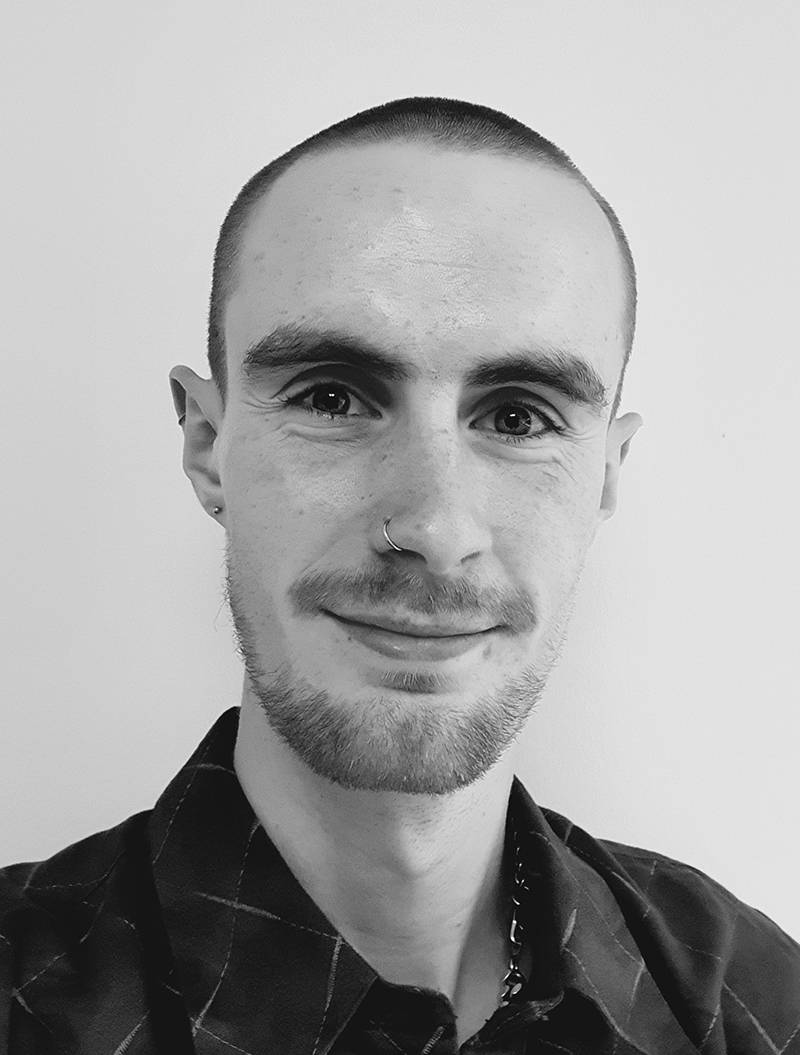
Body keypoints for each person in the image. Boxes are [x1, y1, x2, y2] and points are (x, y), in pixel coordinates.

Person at [2, 96, 798, 1055]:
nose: (433, 528)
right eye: (332, 398)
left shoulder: (752, 998)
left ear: (604, 476)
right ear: (209, 445)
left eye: (519, 418)